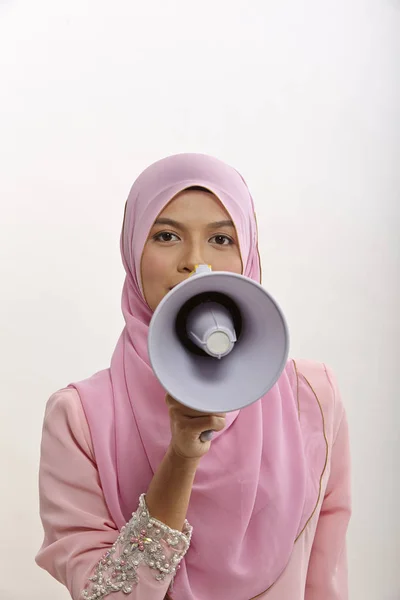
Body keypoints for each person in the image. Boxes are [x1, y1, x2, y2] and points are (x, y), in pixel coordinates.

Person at [36, 153, 351, 600]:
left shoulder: (313, 397)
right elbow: (103, 595)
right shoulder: (79, 417)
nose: (195, 262)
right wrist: (180, 459)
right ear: (131, 250)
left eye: (221, 238)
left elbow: (326, 576)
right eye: (166, 235)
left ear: (248, 253)